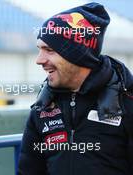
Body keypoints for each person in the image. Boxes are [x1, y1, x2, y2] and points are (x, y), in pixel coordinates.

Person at [18, 2, 133, 175]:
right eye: (39, 49)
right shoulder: (42, 107)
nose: (39, 60)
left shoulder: (127, 102)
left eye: (49, 50)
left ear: (79, 55)